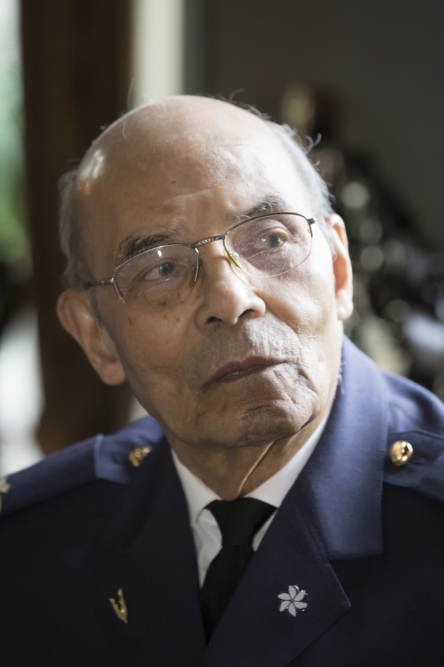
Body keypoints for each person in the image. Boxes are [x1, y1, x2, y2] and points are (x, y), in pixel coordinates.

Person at [1, 97, 444, 667]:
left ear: (339, 271)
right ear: (97, 338)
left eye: (271, 239)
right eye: (161, 267)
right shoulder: (28, 549)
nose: (232, 299)